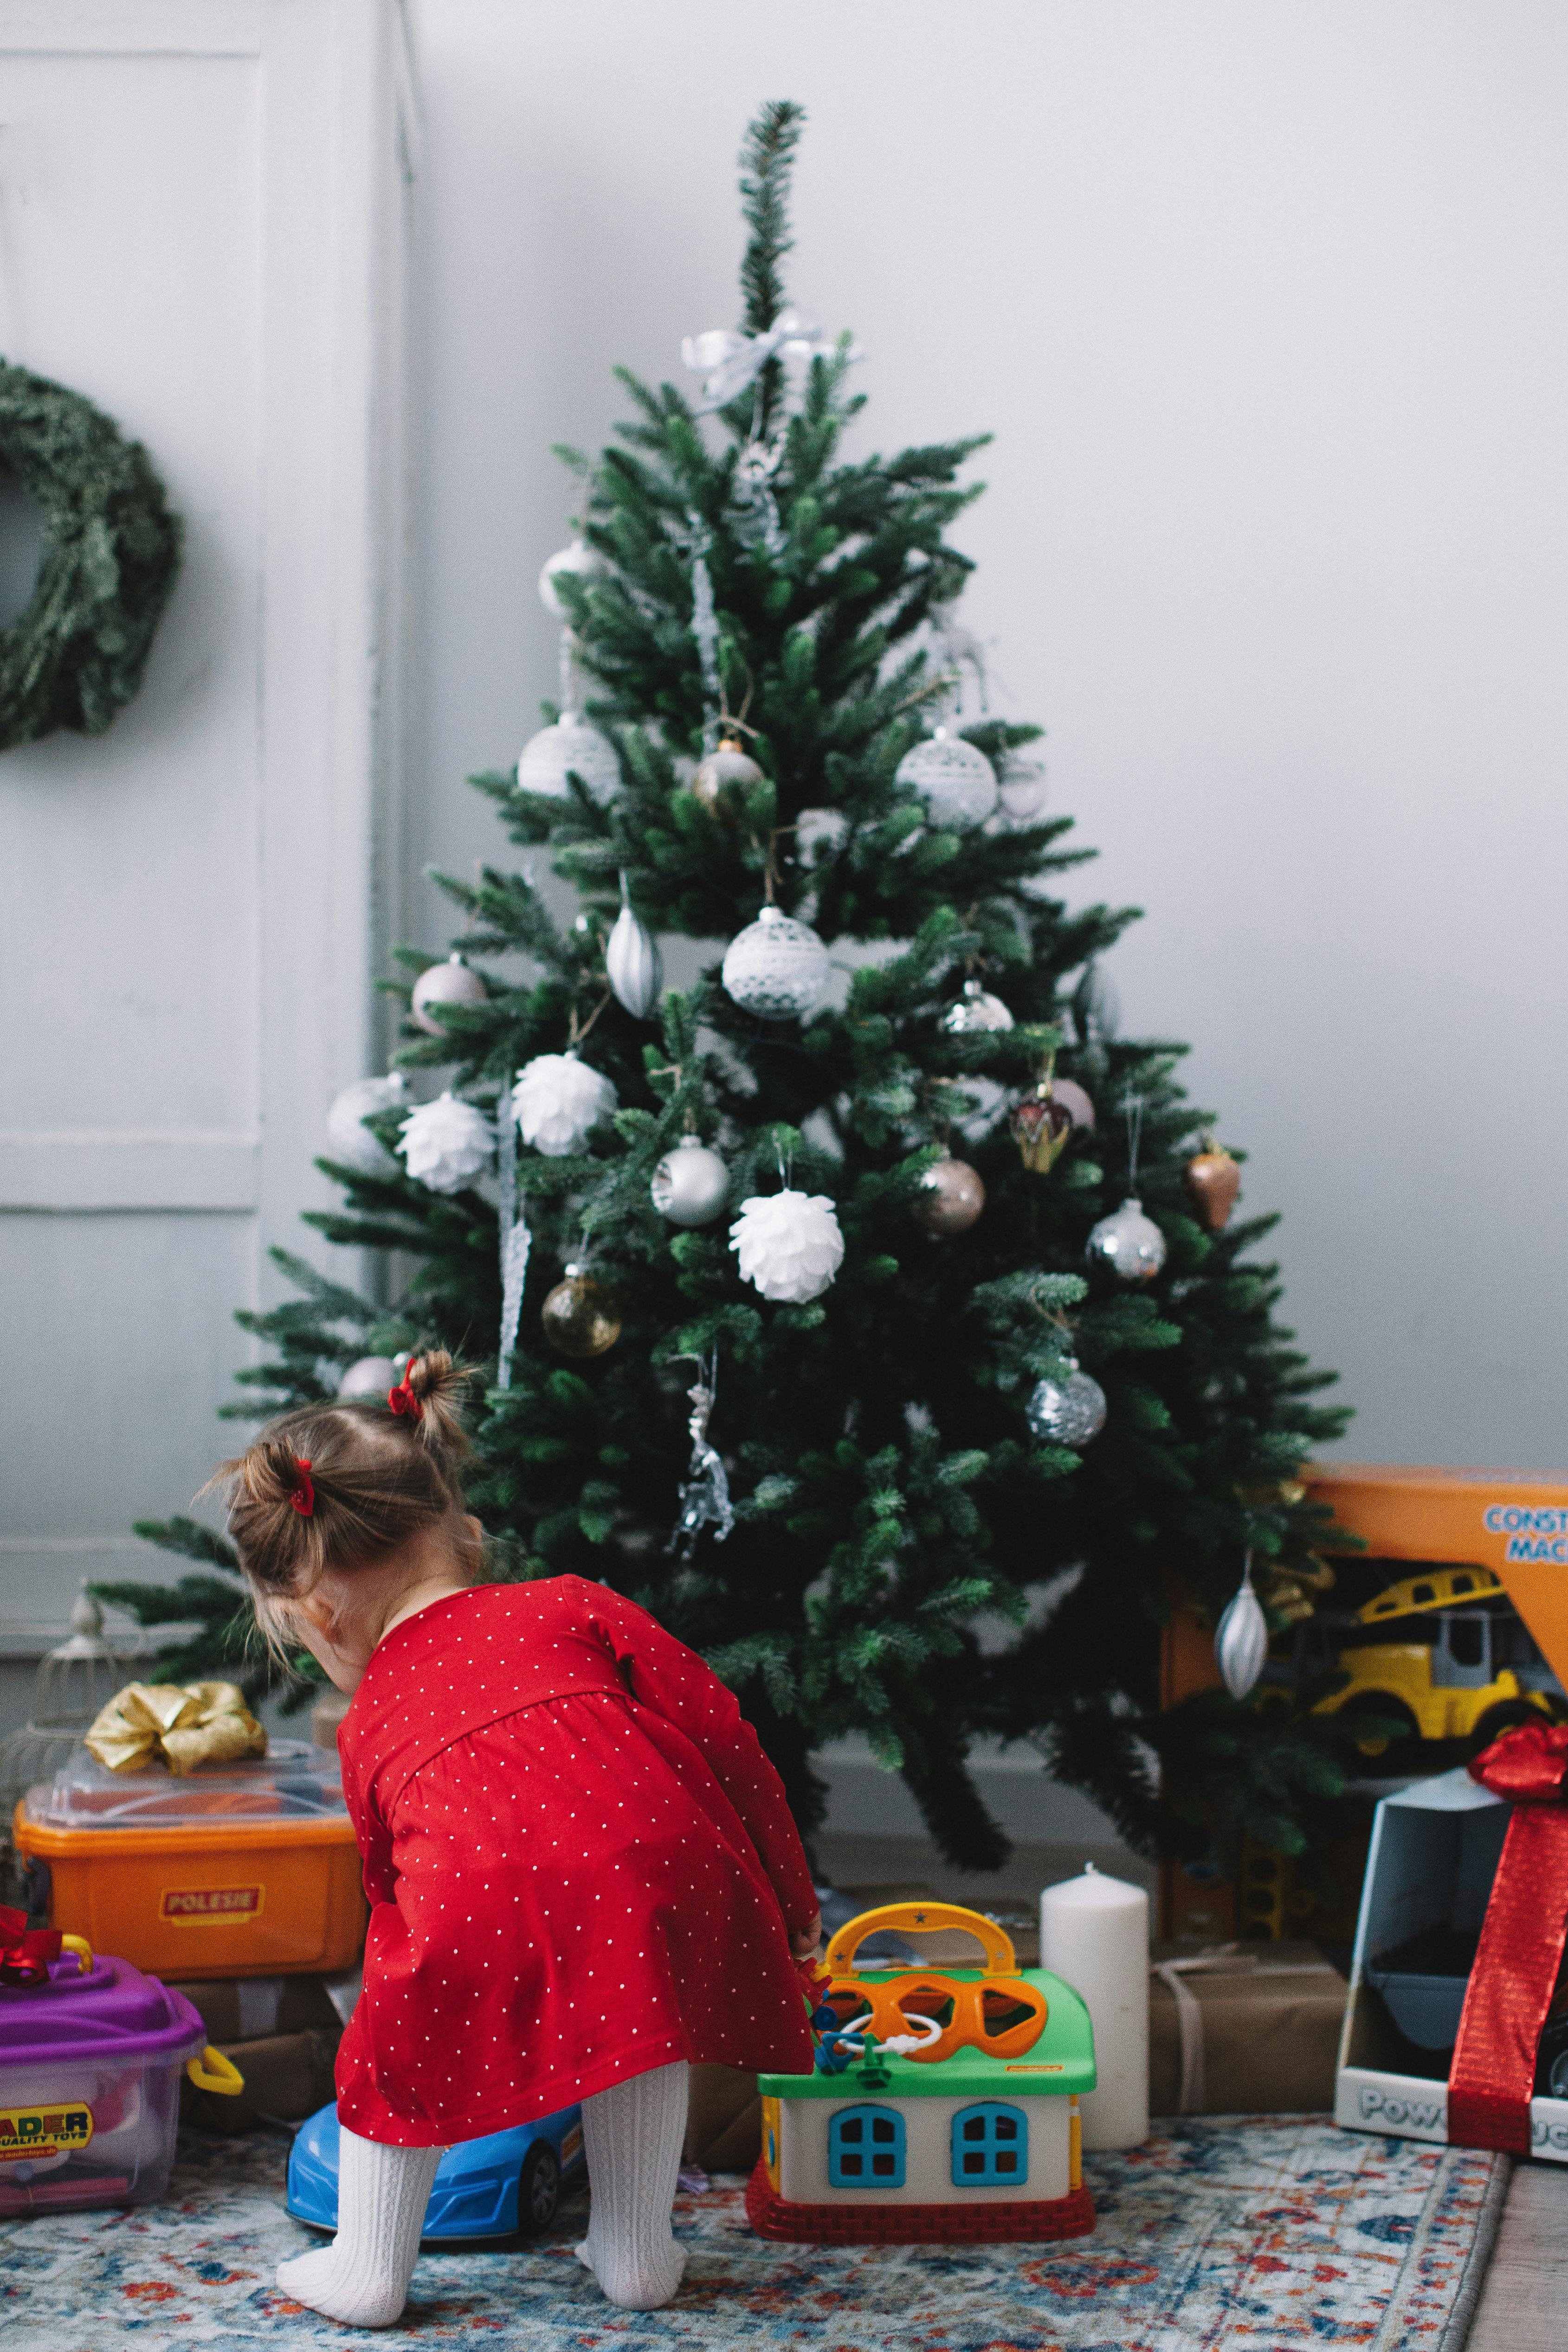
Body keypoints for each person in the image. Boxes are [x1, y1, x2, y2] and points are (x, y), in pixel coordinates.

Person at [211, 1350, 820, 2329]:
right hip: (664, 1869)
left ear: (320, 1612)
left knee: (386, 2047)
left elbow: (385, 1881)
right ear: (465, 1530)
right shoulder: (575, 1601)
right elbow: (727, 1741)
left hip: (472, 1891)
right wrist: (794, 1908)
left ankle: (369, 2269)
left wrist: (410, 1967)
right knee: (643, 2014)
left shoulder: (372, 1711)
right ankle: (634, 2250)